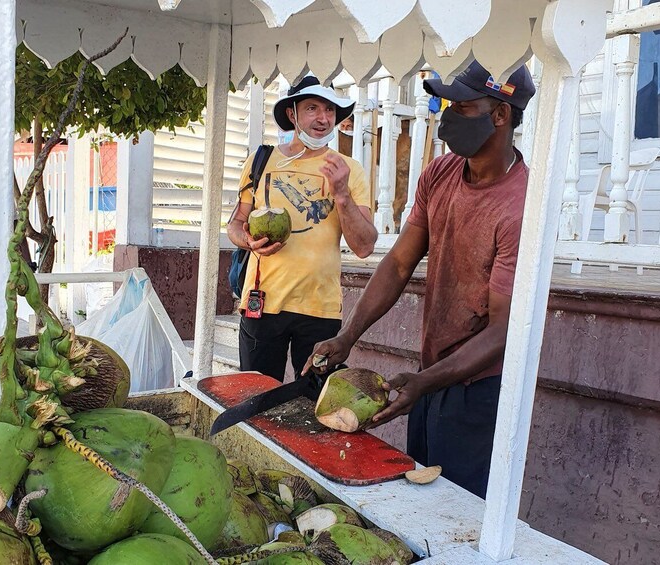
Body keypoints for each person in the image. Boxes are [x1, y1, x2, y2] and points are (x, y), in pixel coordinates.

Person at [304, 60, 537, 498]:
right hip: (431, 375)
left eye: (462, 107)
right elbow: (396, 264)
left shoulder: (520, 207)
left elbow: (504, 329)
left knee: (457, 513)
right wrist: (347, 337)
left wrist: (426, 381)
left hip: (478, 390)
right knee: (420, 495)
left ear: (501, 115)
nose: (446, 117)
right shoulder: (441, 173)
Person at [227, 75, 378, 382]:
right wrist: (249, 241)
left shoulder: (350, 170)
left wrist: (342, 193)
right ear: (293, 114)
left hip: (319, 308)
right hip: (263, 302)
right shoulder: (261, 161)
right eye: (312, 108)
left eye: (330, 110)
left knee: (312, 404)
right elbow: (235, 224)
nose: (323, 118)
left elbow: (364, 246)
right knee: (256, 397)